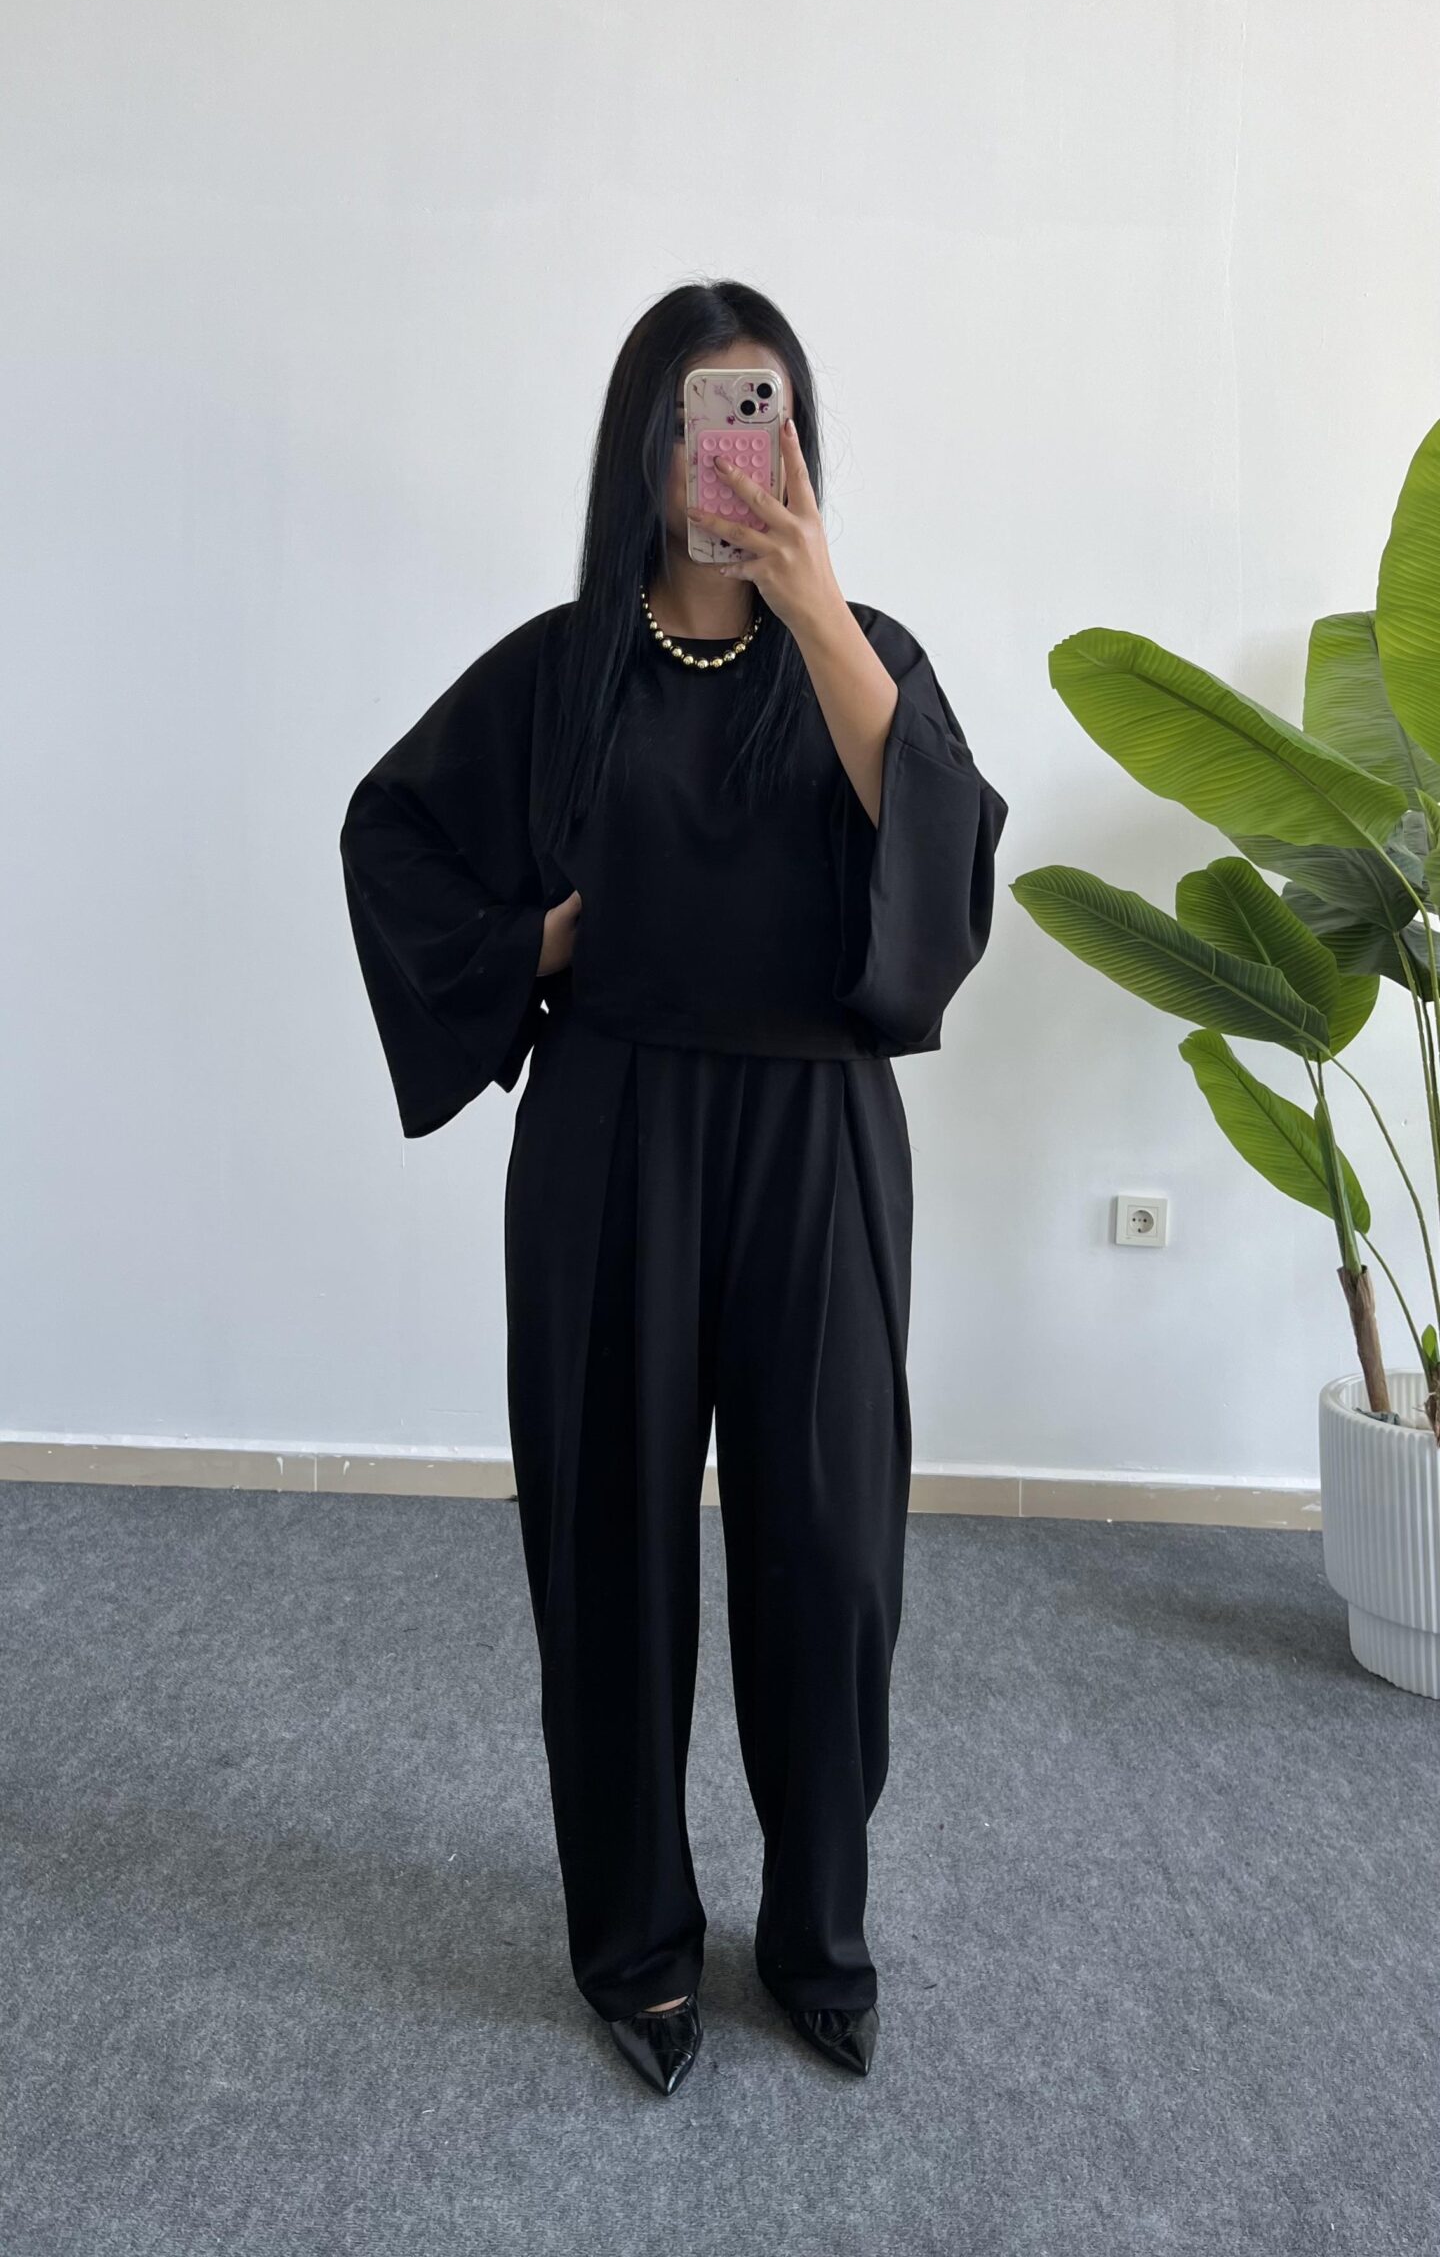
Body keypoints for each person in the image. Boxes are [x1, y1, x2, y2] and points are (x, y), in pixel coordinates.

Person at [339, 280, 1009, 2097]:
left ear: (799, 446)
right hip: (613, 1129)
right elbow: (391, 831)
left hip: (818, 1139)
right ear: (651, 442)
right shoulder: (566, 667)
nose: (737, 455)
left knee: (831, 1554)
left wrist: (816, 604)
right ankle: (633, 1940)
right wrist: (535, 944)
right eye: (711, 417)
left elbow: (943, 858)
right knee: (611, 1539)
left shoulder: (863, 649)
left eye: (767, 416)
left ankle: (816, 1932)